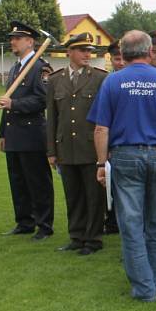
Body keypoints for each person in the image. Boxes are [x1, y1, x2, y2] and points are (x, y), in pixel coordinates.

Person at [90, 30, 156, 302]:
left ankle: (144, 289)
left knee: (131, 223)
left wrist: (101, 163)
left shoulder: (113, 81)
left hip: (126, 154)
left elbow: (100, 128)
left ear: (124, 51)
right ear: (148, 50)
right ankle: (154, 282)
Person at [47, 32, 108, 255]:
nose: (87, 54)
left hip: (91, 148)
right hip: (66, 147)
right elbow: (52, 118)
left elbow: (105, 117)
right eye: (82, 50)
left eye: (89, 51)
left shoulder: (100, 78)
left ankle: (93, 239)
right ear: (69, 52)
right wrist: (51, 151)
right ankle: (77, 235)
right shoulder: (55, 80)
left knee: (93, 196)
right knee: (73, 195)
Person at [0, 21, 55, 240]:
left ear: (30, 41)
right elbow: (6, 102)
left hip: (31, 134)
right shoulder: (15, 68)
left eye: (17, 38)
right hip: (13, 134)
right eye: (12, 38)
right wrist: (2, 133)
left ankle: (44, 225)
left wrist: (15, 105)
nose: (13, 42)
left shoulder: (40, 68)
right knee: (18, 181)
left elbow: (42, 100)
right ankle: (24, 221)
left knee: (37, 181)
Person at [103, 38, 125, 235]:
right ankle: (110, 220)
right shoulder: (105, 80)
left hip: (125, 143)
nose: (120, 63)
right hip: (106, 142)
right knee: (109, 183)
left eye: (122, 58)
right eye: (116, 59)